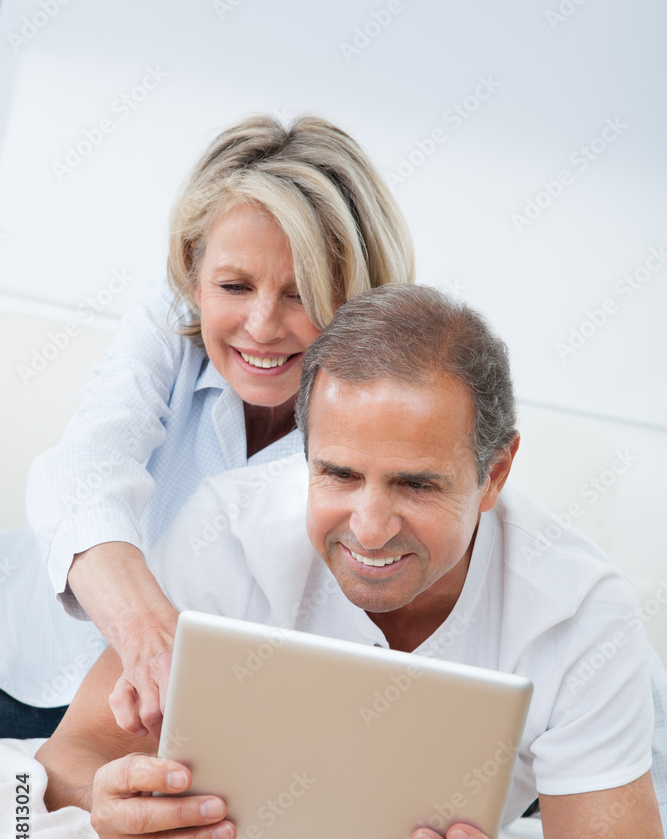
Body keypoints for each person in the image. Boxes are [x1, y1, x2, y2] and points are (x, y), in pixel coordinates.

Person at [36, 284, 667, 839]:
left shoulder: (578, 611)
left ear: (495, 473)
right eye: (337, 474)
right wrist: (107, 804)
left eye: (415, 484)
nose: (369, 530)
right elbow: (70, 757)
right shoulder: (226, 532)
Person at [3, 113, 413, 739]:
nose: (263, 326)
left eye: (301, 293)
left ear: (359, 297)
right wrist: (149, 638)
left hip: (189, 718)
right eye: (234, 286)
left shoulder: (392, 409)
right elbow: (82, 470)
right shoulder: (168, 320)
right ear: (194, 273)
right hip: (29, 666)